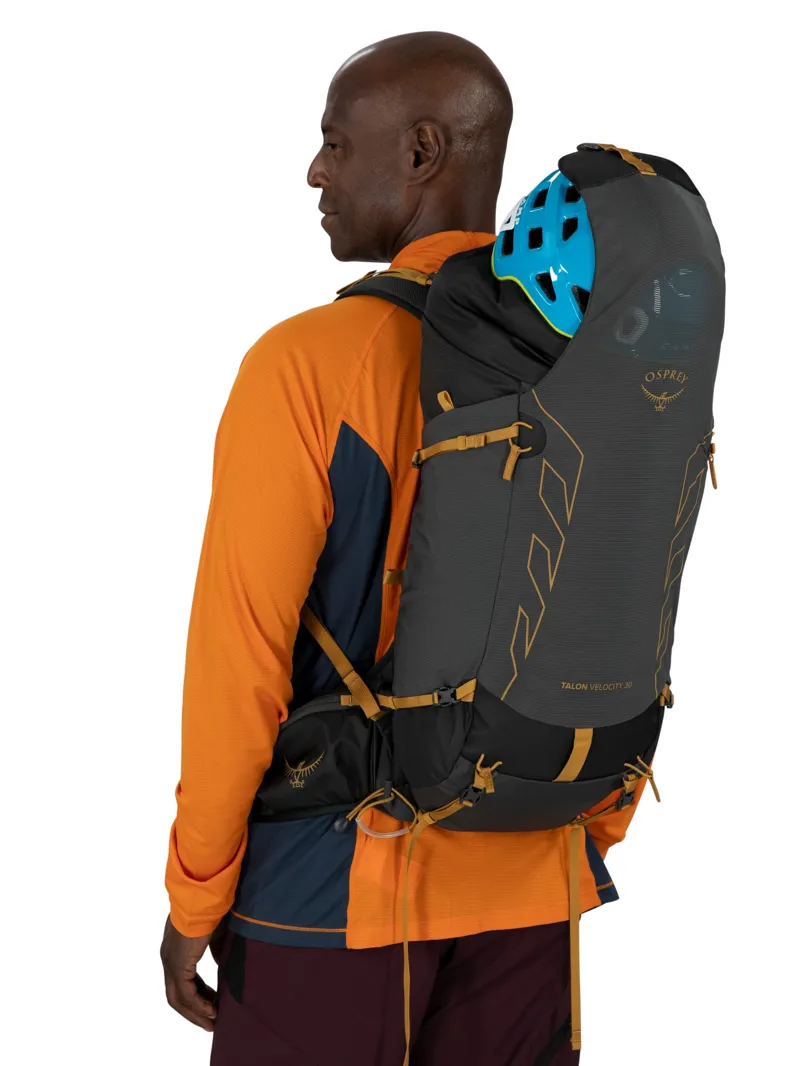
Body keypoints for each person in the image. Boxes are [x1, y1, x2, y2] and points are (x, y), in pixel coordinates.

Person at [161, 31, 644, 1066]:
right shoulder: (591, 361)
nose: (316, 171)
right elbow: (633, 586)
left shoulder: (306, 365)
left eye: (337, 142)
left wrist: (195, 895)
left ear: (422, 151)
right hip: (534, 878)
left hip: (334, 891)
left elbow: (238, 663)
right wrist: (584, 824)